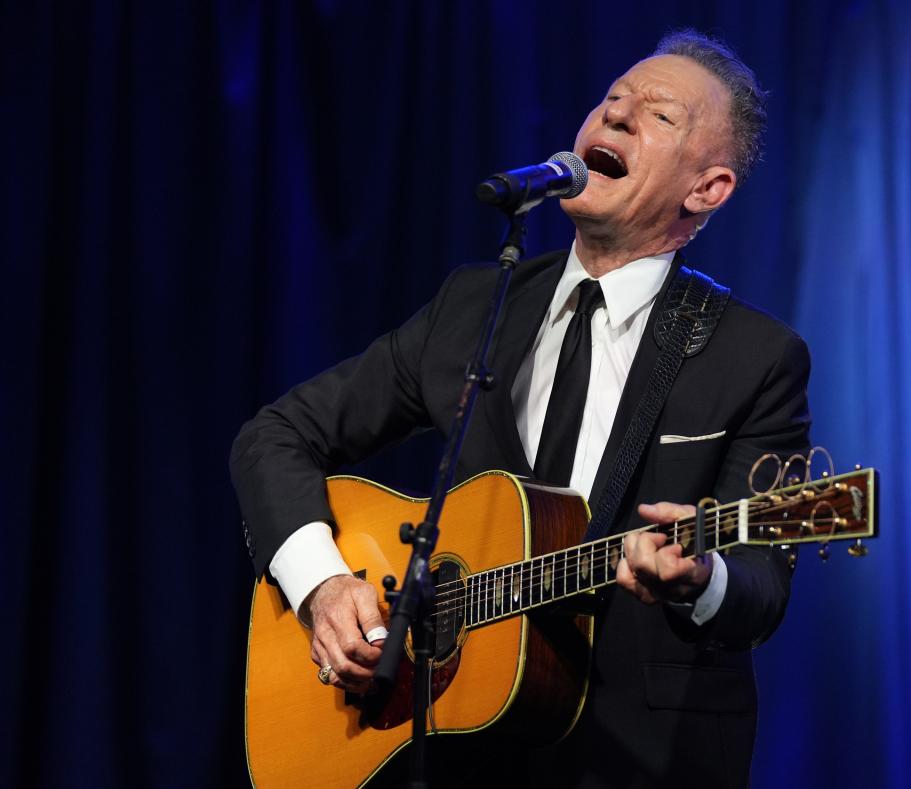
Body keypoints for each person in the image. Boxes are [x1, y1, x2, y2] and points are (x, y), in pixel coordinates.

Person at [231, 29, 810, 788]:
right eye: (611, 100)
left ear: (706, 190)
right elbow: (276, 436)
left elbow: (761, 585)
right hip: (453, 751)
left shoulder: (753, 356)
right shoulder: (474, 306)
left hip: (639, 759)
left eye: (659, 116)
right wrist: (323, 586)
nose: (618, 117)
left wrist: (702, 577)